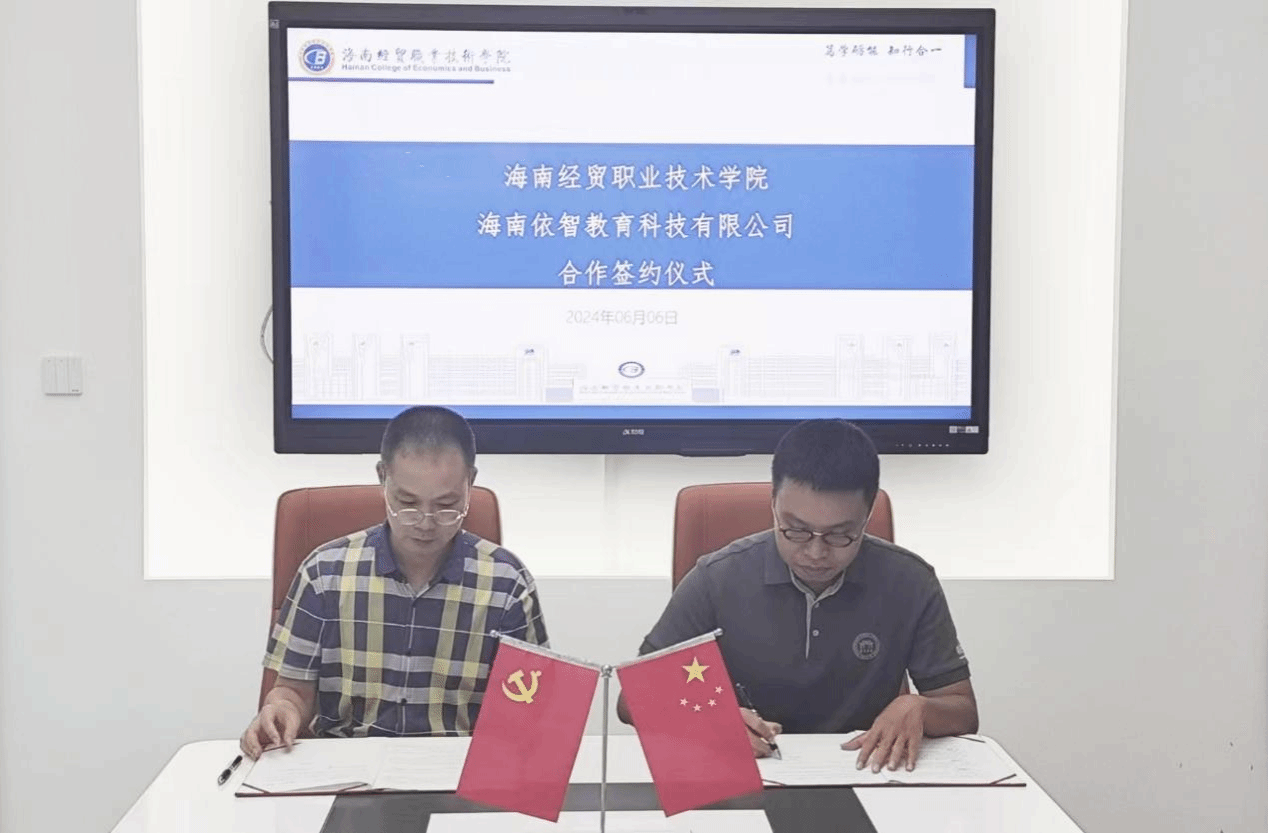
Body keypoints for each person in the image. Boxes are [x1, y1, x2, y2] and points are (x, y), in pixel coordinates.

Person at [618, 419, 976, 772]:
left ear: (866, 517)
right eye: (797, 530)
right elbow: (630, 700)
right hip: (745, 769)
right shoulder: (716, 577)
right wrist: (708, 718)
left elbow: (962, 709)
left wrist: (920, 708)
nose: (816, 553)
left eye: (840, 535)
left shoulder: (910, 581)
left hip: (862, 770)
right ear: (773, 505)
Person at [240, 406, 548, 758]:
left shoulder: (506, 584)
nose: (426, 523)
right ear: (382, 477)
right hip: (346, 765)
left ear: (470, 482)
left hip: (456, 768)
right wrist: (282, 709)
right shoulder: (324, 574)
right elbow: (293, 691)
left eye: (447, 504)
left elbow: (529, 706)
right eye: (408, 502)